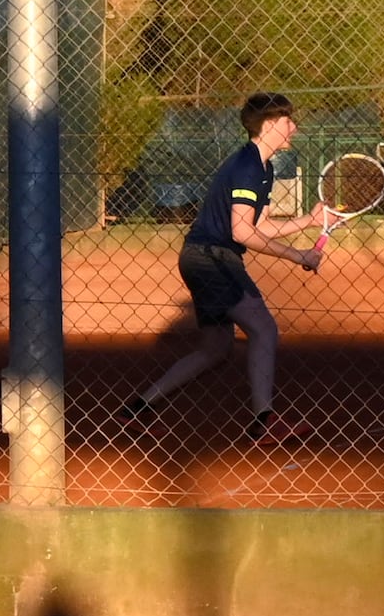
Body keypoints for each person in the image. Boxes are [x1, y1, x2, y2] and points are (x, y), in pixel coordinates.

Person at [128, 93, 324, 438]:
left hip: (204, 256)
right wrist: (298, 256)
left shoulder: (260, 167)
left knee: (215, 348)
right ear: (269, 125)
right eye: (287, 120)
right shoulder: (248, 167)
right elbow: (242, 231)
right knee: (264, 329)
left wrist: (307, 221)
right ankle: (264, 420)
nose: (294, 127)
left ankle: (141, 406)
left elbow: (257, 225)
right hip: (212, 259)